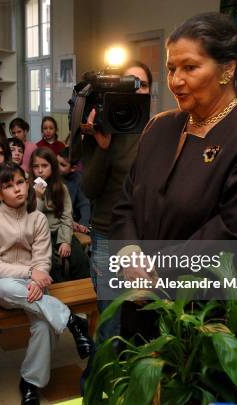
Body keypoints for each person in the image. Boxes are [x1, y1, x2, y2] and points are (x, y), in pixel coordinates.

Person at [110, 12, 237, 340]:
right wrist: (128, 252)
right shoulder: (159, 126)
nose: (176, 80)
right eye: (171, 69)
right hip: (141, 301)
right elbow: (126, 203)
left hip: (207, 314)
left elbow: (235, 229)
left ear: (227, 69)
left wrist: (154, 269)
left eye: (190, 67)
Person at [0, 162, 94, 405]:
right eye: (9, 186)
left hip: (35, 285)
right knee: (4, 287)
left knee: (44, 325)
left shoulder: (38, 218)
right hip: (3, 285)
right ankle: (71, 320)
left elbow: (43, 259)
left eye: (21, 182)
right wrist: (31, 272)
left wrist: (36, 276)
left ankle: (30, 382)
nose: (18, 189)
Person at [78, 60, 153, 342]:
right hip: (107, 233)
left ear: (149, 92)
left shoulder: (159, 129)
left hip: (146, 239)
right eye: (128, 83)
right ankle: (97, 386)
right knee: (110, 324)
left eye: (142, 84)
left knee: (142, 323)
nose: (135, 90)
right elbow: (90, 189)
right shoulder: (100, 128)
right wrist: (104, 148)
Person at [30, 147, 90, 282]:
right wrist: (38, 196)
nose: (40, 170)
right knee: (50, 263)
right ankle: (59, 293)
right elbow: (33, 217)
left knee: (80, 259)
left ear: (52, 166)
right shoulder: (28, 188)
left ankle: (83, 293)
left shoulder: (61, 187)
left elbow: (66, 216)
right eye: (36, 166)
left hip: (59, 230)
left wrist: (65, 241)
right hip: (39, 234)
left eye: (44, 166)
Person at [58, 148, 90, 233]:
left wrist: (84, 223)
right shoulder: (49, 176)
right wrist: (69, 221)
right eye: (56, 162)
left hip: (71, 222)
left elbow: (84, 203)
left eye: (62, 165)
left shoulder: (78, 179)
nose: (57, 166)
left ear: (73, 168)